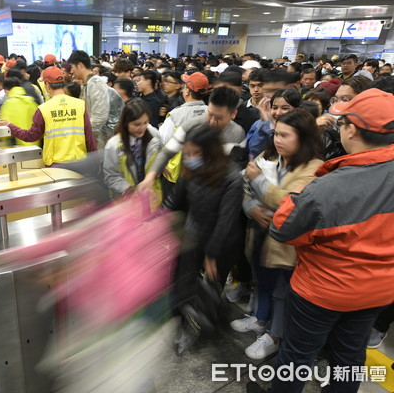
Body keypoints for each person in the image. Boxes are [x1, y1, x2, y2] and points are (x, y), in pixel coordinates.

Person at [247, 89, 394, 393]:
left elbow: (284, 230)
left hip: (323, 290)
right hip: (379, 290)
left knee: (297, 356)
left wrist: (290, 200)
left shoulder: (328, 186)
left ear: (351, 129)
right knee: (349, 356)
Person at [233, 109, 324, 361]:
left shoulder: (315, 168)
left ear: (304, 138)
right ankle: (260, 320)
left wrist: (259, 181)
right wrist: (250, 207)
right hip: (261, 234)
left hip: (288, 245)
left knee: (282, 291)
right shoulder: (271, 155)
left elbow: (289, 201)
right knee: (262, 281)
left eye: (285, 135)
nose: (277, 140)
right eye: (276, 134)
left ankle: (275, 336)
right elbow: (245, 185)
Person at [164, 125, 244, 354]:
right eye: (186, 153)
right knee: (182, 286)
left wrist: (212, 254)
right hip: (191, 238)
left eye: (195, 153)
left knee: (208, 292)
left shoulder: (231, 178)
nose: (190, 158)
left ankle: (200, 327)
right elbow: (174, 202)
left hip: (220, 246)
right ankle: (182, 326)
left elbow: (226, 222)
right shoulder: (190, 170)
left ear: (211, 151)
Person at [139, 86, 246, 192]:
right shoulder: (191, 126)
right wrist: (150, 176)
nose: (212, 121)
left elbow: (235, 171)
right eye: (210, 114)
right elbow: (167, 152)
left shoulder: (238, 134)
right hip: (188, 188)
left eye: (219, 118)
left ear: (233, 114)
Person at [0, 66, 96, 166]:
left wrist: (10, 126)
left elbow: (31, 136)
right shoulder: (80, 104)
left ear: (47, 85)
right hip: (80, 162)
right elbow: (89, 137)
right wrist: (95, 162)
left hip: (56, 164)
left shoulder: (44, 109)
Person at [158, 72, 209, 190]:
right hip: (203, 174)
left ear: (187, 91)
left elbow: (163, 141)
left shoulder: (176, 114)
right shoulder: (211, 113)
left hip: (176, 174)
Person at [103, 98, 161, 200]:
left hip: (152, 197)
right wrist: (129, 189)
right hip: (128, 202)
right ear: (126, 123)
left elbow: (160, 158)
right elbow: (111, 176)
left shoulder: (153, 135)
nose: (142, 128)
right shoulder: (113, 145)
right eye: (137, 124)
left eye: (145, 122)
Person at [68, 50, 110, 149]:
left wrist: (86, 135)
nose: (71, 71)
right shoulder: (87, 84)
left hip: (96, 142)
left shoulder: (95, 84)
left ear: (80, 65)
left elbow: (99, 117)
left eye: (72, 67)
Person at [246, 88, 302, 158]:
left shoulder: (303, 127)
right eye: (275, 108)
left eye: (285, 108)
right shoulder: (259, 124)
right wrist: (265, 126)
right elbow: (254, 152)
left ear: (297, 109)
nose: (278, 113)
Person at [0, 77, 40, 146]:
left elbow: (3, 130)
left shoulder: (9, 103)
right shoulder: (31, 100)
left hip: (19, 146)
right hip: (35, 144)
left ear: (7, 90)